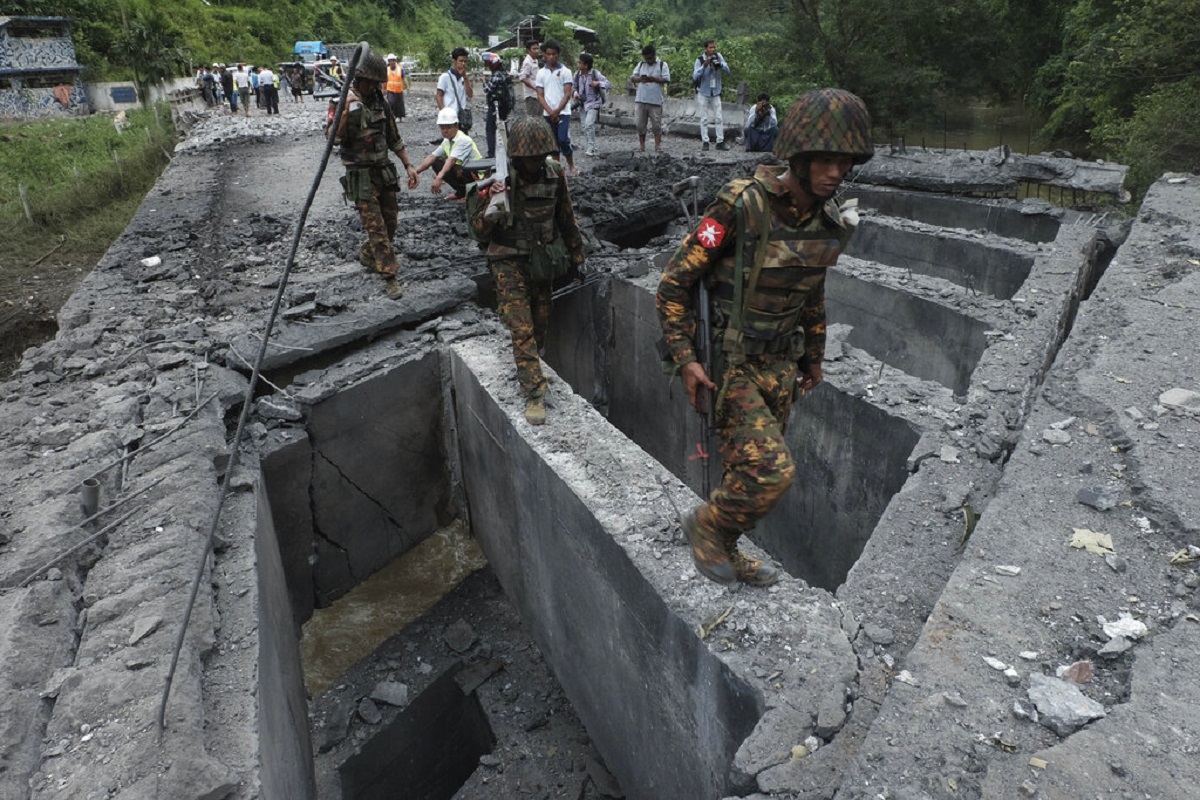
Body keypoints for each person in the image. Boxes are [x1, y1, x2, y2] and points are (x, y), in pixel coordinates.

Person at [655, 88, 874, 587]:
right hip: (732, 364)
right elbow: (673, 284)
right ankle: (706, 527)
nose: (835, 173)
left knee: (746, 471)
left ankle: (727, 547)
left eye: (845, 162)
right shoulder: (740, 205)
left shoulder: (828, 219)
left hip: (780, 367)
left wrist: (813, 358)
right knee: (770, 472)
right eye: (824, 160)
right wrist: (686, 358)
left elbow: (812, 292)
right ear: (796, 156)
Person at [469, 117, 586, 425]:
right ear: (517, 155)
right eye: (528, 157)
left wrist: (577, 255)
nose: (534, 162)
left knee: (539, 323)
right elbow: (479, 231)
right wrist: (495, 201)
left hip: (542, 259)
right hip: (507, 260)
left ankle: (531, 363)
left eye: (539, 155)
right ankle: (534, 392)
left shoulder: (554, 173)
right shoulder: (498, 178)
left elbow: (566, 216)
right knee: (521, 328)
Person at [328, 49, 419, 299]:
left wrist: (408, 165)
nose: (374, 87)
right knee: (376, 229)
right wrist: (345, 112)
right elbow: (332, 138)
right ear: (359, 80)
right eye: (370, 82)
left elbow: (393, 137)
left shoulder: (381, 101)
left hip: (383, 171)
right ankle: (390, 276)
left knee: (390, 224)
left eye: (377, 83)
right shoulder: (341, 101)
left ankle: (369, 254)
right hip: (360, 175)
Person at [412, 107, 483, 199]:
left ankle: (471, 193)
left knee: (454, 167)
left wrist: (439, 178)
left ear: (456, 126)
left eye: (449, 127)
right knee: (436, 162)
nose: (445, 131)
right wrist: (415, 172)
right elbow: (432, 157)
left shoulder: (463, 139)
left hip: (477, 174)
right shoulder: (447, 141)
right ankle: (461, 192)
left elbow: (451, 160)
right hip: (464, 171)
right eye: (442, 127)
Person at [535, 40, 575, 176]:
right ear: (544, 55)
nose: (552, 57)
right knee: (553, 144)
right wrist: (550, 111)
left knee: (563, 140)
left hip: (563, 112)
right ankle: (558, 170)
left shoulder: (566, 71)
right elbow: (540, 95)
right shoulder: (541, 73)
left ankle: (571, 166)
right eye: (549, 54)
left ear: (558, 55)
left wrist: (557, 111)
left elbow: (567, 93)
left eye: (554, 54)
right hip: (548, 113)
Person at [692, 39, 730, 151]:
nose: (712, 49)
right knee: (704, 118)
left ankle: (720, 142)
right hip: (703, 92)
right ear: (706, 48)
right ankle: (705, 142)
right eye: (710, 47)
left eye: (714, 47)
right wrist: (704, 66)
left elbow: (727, 70)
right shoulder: (699, 60)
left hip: (716, 92)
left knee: (718, 117)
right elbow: (694, 76)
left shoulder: (718, 57)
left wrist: (720, 65)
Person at [631, 44, 670, 152]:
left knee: (656, 125)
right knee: (640, 124)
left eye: (650, 58)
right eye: (646, 58)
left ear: (654, 55)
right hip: (641, 99)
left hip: (655, 100)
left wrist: (654, 79)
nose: (648, 60)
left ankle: (657, 146)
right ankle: (642, 146)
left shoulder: (662, 65)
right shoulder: (641, 64)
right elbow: (632, 78)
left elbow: (666, 79)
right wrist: (640, 79)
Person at [573, 53, 611, 157]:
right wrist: (575, 93)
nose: (578, 64)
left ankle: (591, 148)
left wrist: (598, 83)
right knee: (585, 126)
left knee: (589, 124)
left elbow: (609, 84)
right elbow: (574, 87)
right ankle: (592, 145)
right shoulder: (577, 75)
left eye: (580, 62)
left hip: (594, 103)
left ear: (586, 65)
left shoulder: (595, 74)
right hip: (582, 104)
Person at [481, 52, 515, 158]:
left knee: (490, 129)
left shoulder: (496, 75)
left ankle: (491, 153)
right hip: (504, 106)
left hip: (496, 106)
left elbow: (488, 89)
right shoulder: (504, 73)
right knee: (503, 127)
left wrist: (484, 82)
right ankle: (510, 150)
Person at [436, 47, 474, 132]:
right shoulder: (445, 77)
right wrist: (444, 113)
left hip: (461, 117)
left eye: (465, 61)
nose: (463, 63)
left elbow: (470, 94)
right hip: (450, 118)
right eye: (461, 61)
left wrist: (465, 77)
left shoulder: (463, 78)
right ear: (454, 61)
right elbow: (439, 96)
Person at [519, 40, 542, 118]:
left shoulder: (535, 60)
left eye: (537, 49)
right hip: (531, 96)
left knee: (539, 119)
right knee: (533, 120)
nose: (536, 51)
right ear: (528, 50)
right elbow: (522, 77)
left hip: (537, 95)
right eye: (534, 49)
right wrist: (534, 87)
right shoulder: (527, 62)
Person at [385, 53, 408, 121]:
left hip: (399, 89)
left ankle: (401, 116)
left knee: (400, 103)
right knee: (391, 102)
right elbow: (384, 80)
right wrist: (383, 88)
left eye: (393, 60)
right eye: (390, 61)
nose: (392, 62)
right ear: (388, 62)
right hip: (390, 89)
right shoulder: (387, 70)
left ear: (395, 61)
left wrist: (407, 86)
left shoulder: (400, 69)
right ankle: (394, 116)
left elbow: (404, 78)